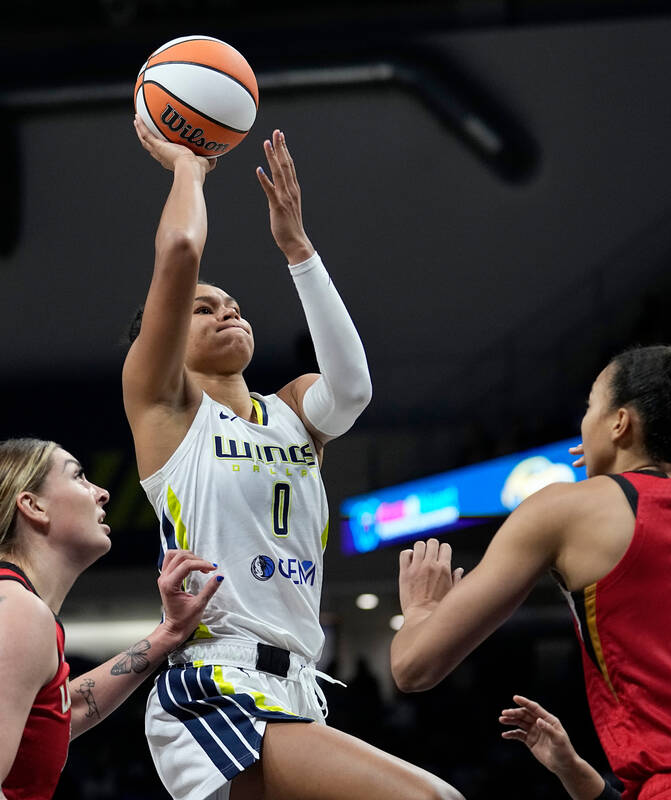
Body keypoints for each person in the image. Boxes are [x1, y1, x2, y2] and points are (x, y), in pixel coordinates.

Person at [124, 115, 462, 800]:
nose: (228, 312)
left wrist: (298, 248)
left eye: (236, 305)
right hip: (216, 683)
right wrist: (189, 170)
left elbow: (353, 389)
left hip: (298, 684)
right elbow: (181, 250)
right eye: (203, 308)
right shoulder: (166, 411)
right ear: (164, 339)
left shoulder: (291, 410)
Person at [390, 332, 671, 800]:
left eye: (590, 408)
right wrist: (576, 773)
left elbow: (412, 668)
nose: (582, 424)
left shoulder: (563, 509)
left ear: (619, 424)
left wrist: (423, 610)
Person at [0, 437, 223, 799]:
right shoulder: (11, 611)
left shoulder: (8, 605)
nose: (101, 493)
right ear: (33, 506)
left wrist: (169, 633)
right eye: (78, 476)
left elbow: (63, 710)